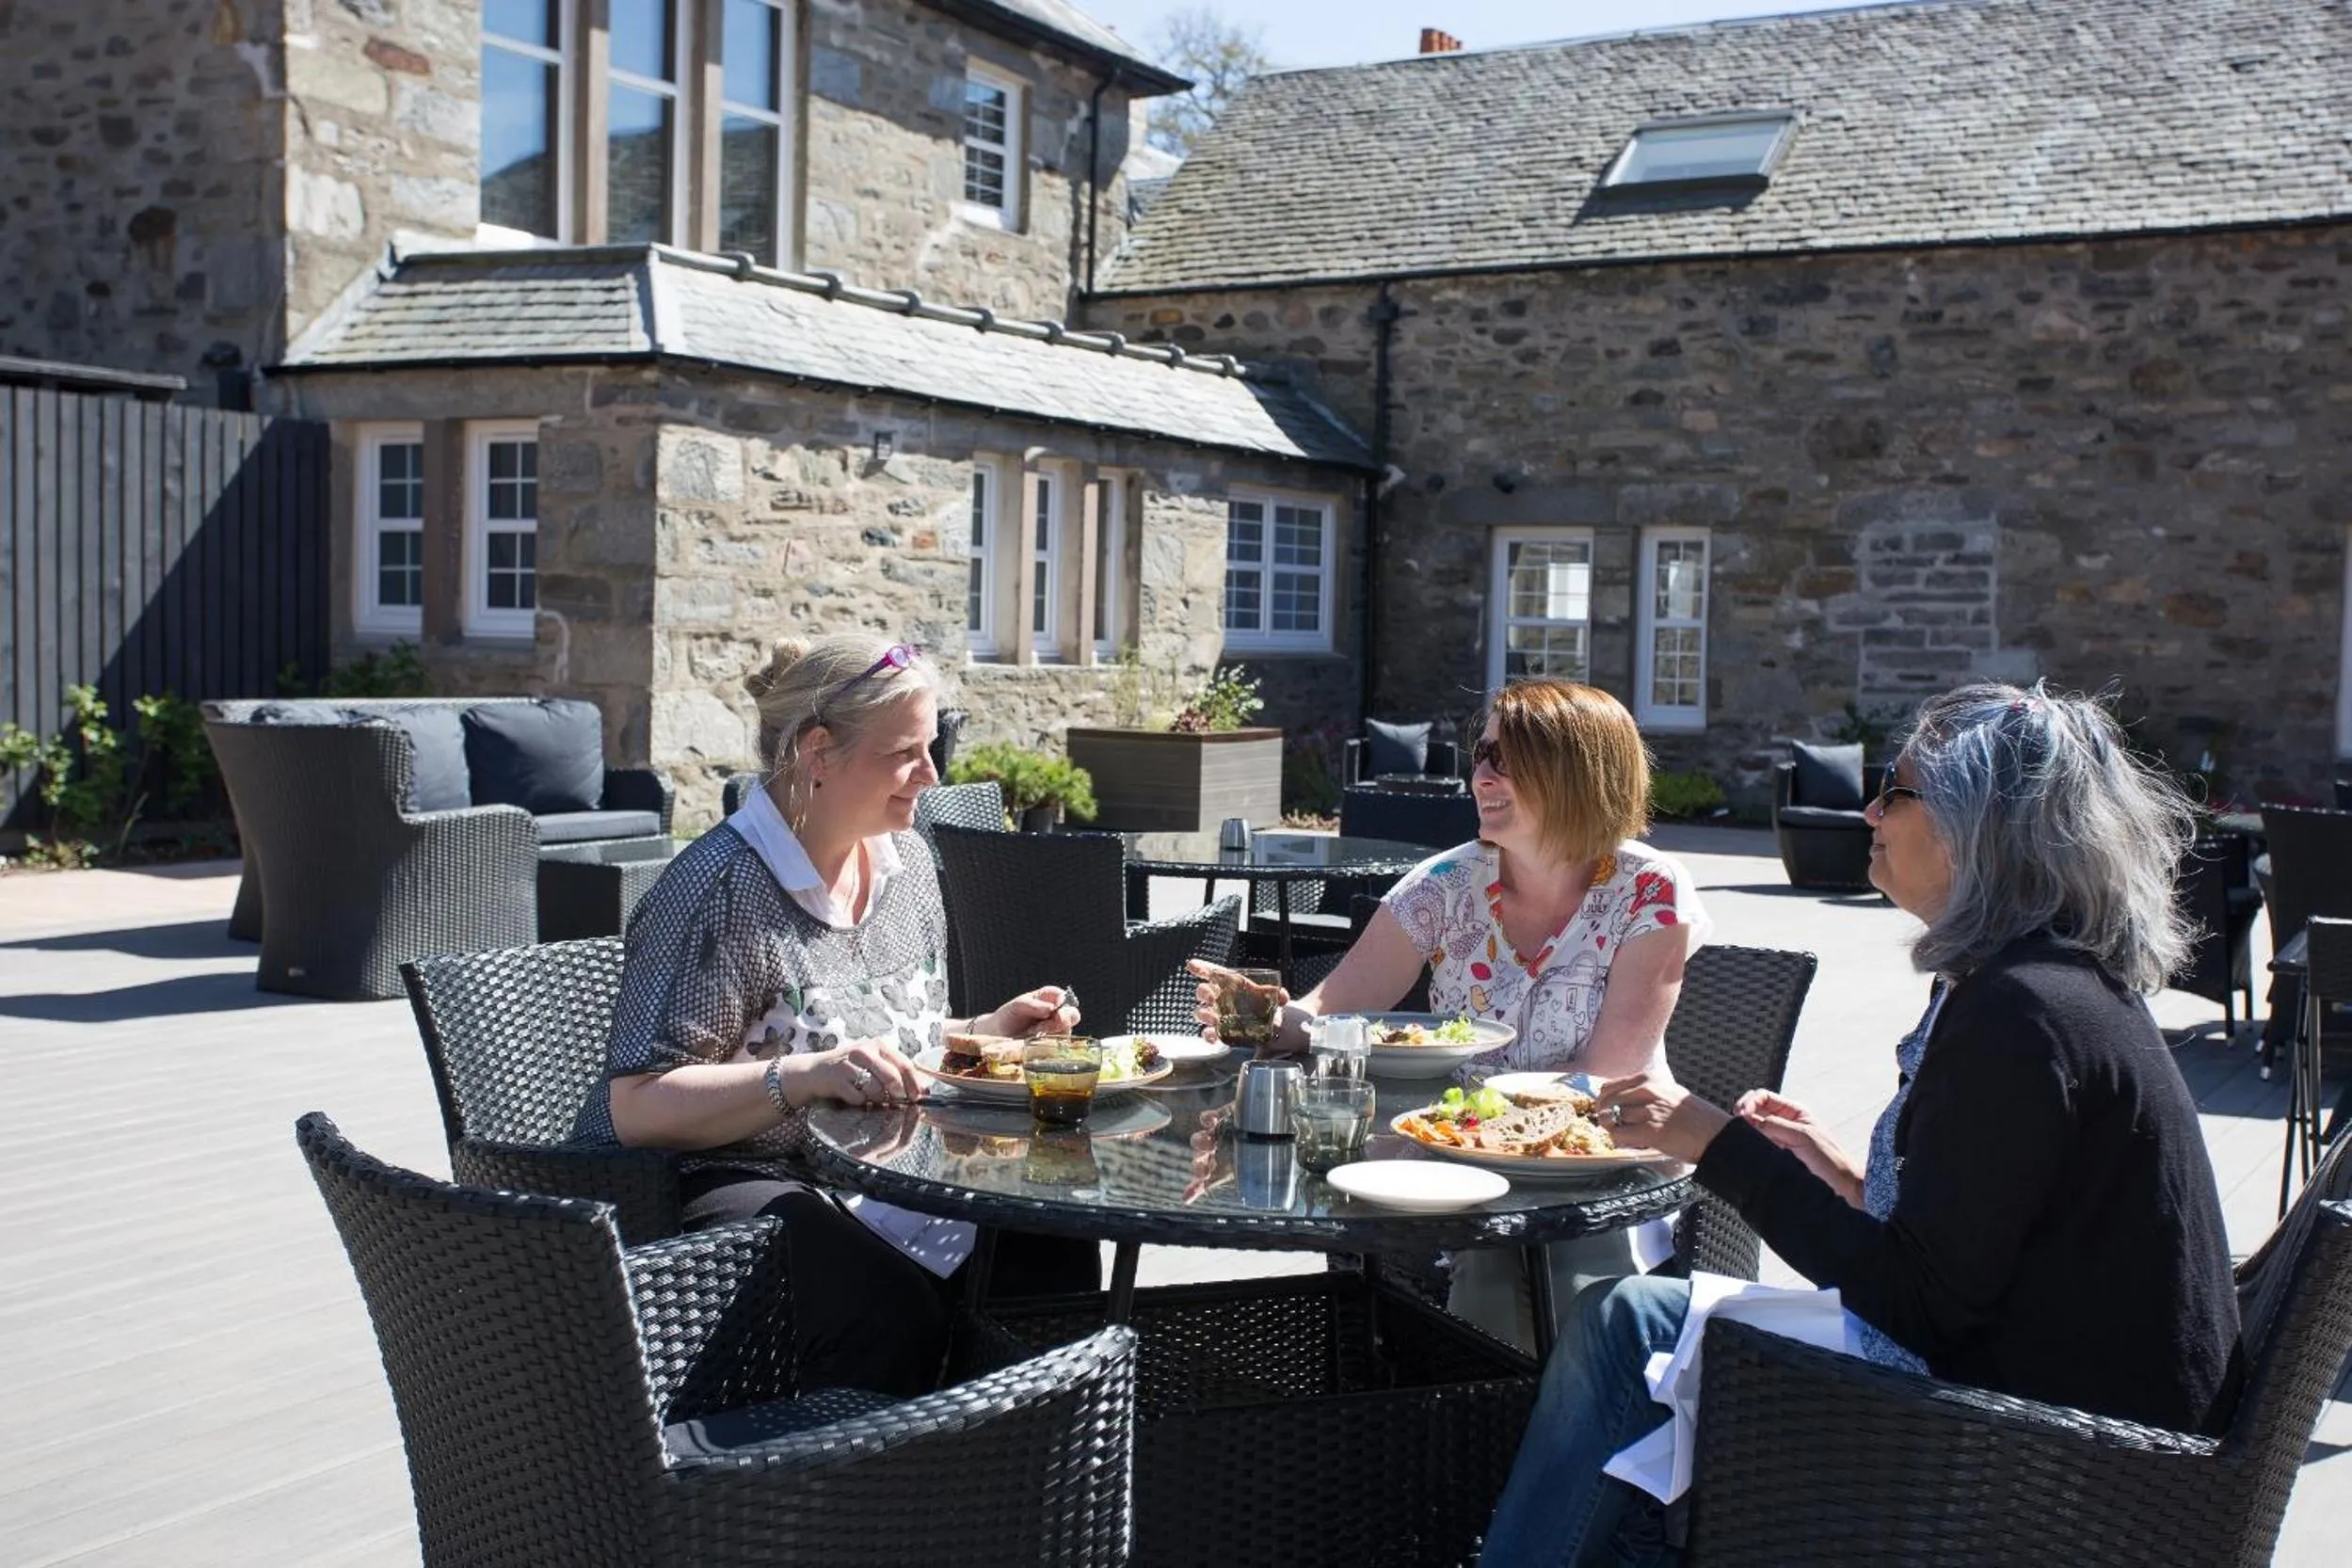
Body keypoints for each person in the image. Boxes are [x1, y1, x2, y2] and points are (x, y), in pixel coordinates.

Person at [1479, 682, 2245, 1568]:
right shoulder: (2048, 984)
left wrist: (1710, 1141)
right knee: (1643, 1356)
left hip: (2059, 1460)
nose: (1872, 808)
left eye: (1900, 790)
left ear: (1975, 825)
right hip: (2082, 1413)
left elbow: (1921, 1304)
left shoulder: (2019, 1014)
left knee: (1628, 1324)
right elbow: (1997, 1232)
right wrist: (1849, 1180)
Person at [571, 633, 1097, 1398]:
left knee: (1050, 1242)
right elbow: (638, 1105)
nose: (931, 775)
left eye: (933, 747)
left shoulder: (905, 862)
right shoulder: (720, 894)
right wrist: (801, 1078)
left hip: (879, 1164)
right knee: (883, 1305)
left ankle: (1014, 1476)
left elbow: (873, 1039)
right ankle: (855, 1497)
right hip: (732, 1172)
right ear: (819, 753)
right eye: (905, 753)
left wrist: (983, 1035)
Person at [1198, 680, 1709, 1347]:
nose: (1480, 775)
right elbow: (1332, 1007)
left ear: (1576, 770)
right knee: (1491, 1275)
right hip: (1457, 1158)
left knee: (1570, 1270)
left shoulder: (1648, 889)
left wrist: (1470, 1129)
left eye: (1505, 757)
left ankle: (1544, 1416)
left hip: (1597, 1157)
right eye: (1481, 754)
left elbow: (1607, 1073)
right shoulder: (1446, 883)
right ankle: (1487, 1422)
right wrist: (1269, 1018)